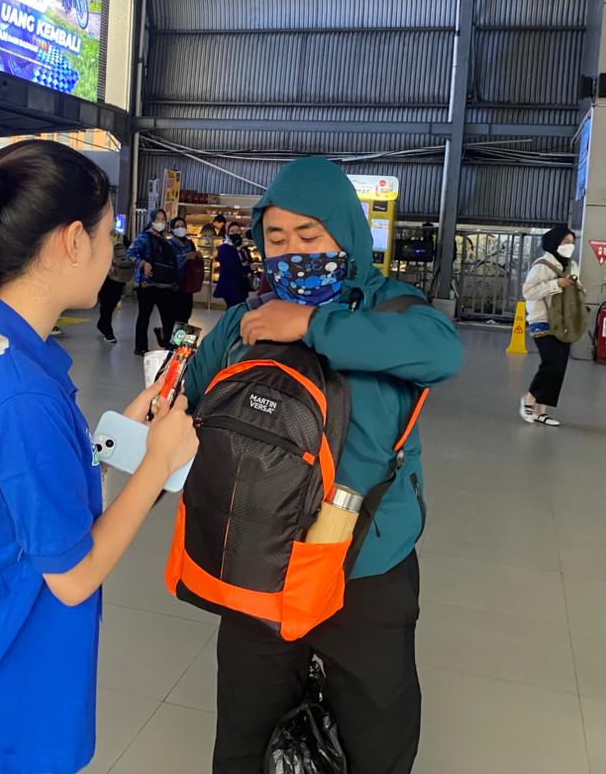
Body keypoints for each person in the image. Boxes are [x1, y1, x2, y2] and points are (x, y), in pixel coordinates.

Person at [0, 143, 198, 774]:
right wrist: (158, 464)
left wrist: (118, 440)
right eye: (108, 234)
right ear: (72, 241)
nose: (113, 252)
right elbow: (75, 574)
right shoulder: (22, 396)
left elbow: (26, 495)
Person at [183, 157, 462, 774]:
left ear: (347, 233)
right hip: (261, 559)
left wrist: (312, 322)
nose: (293, 253)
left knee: (376, 727)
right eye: (277, 238)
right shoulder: (248, 319)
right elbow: (189, 400)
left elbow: (442, 354)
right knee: (246, 729)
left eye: (309, 235)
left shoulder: (392, 310)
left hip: (364, 564)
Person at [520, 225, 582, 427]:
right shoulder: (542, 265)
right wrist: (555, 285)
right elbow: (528, 292)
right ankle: (529, 398)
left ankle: (542, 411)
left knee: (560, 367)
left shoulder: (573, 266)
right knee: (551, 363)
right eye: (566, 242)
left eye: (572, 242)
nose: (570, 246)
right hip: (542, 320)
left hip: (565, 322)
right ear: (555, 242)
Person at [127, 209, 180, 356]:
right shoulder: (143, 237)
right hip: (147, 285)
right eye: (158, 219)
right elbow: (130, 254)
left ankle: (170, 347)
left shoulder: (166, 240)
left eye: (163, 219)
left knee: (168, 318)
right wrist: (142, 263)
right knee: (144, 316)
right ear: (151, 221)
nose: (161, 222)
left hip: (165, 285)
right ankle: (140, 347)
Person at [97, 224, 132, 345]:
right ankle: (107, 329)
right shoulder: (99, 236)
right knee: (106, 302)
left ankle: (102, 323)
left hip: (119, 276)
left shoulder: (122, 237)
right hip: (104, 276)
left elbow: (129, 253)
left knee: (113, 302)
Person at [169, 216, 200, 326]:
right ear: (172, 229)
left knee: (185, 314)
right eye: (177, 226)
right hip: (173, 285)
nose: (180, 228)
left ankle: (181, 337)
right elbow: (170, 262)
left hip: (187, 284)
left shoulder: (190, 243)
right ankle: (171, 336)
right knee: (173, 315)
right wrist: (185, 257)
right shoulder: (169, 244)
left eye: (182, 226)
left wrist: (197, 256)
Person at [213, 222, 251, 307]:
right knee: (234, 309)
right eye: (232, 231)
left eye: (237, 231)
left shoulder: (242, 248)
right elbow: (231, 267)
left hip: (241, 285)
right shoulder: (224, 248)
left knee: (238, 308)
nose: (235, 233)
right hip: (230, 286)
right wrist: (249, 268)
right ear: (227, 233)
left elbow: (248, 260)